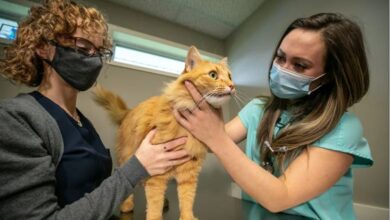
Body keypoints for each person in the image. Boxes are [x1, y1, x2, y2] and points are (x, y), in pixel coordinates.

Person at [0, 0, 190, 219]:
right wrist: (137, 167)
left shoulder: (82, 123)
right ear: (43, 47)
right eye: (83, 48)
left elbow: (98, 195)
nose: (94, 59)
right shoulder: (16, 119)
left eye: (99, 52)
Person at [174, 13, 373, 220]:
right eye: (280, 57)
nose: (282, 69)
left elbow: (280, 197)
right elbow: (208, 139)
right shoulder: (258, 109)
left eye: (300, 65)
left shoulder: (343, 129)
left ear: (331, 77)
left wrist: (215, 137)